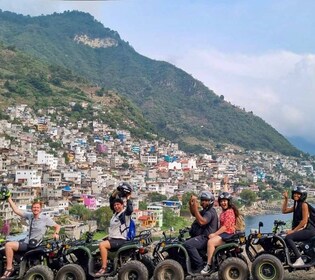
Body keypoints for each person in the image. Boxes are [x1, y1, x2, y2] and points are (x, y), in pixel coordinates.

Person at [1, 195, 61, 279]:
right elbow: (16, 211)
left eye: (37, 207)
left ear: (40, 209)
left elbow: (57, 226)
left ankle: (9, 268)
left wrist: (56, 233)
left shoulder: (45, 218)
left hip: (32, 244)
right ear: (32, 208)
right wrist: (9, 198)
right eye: (34, 207)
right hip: (27, 241)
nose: (35, 209)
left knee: (8, 245)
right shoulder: (30, 216)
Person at [95, 182, 133, 277]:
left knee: (102, 245)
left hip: (119, 240)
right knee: (96, 243)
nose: (116, 206)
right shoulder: (115, 214)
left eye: (118, 205)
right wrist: (116, 191)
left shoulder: (124, 215)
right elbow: (111, 200)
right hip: (113, 239)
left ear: (122, 205)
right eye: (115, 205)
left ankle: (103, 268)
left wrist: (128, 197)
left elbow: (130, 210)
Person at [201, 192, 239, 274]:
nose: (223, 203)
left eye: (225, 201)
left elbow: (225, 227)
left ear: (229, 201)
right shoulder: (223, 212)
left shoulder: (229, 212)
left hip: (228, 234)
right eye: (221, 201)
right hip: (225, 233)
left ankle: (209, 265)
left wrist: (215, 234)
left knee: (211, 242)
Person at [184, 191, 218, 273]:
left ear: (210, 201)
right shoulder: (205, 211)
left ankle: (200, 265)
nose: (203, 202)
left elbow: (202, 221)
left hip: (205, 238)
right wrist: (191, 205)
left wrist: (195, 207)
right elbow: (194, 214)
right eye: (202, 200)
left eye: (206, 200)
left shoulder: (210, 212)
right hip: (202, 237)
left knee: (188, 244)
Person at [282, 185, 315, 267]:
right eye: (294, 193)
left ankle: (300, 259)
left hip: (309, 230)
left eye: (298, 194)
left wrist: (293, 231)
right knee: (284, 235)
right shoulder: (297, 205)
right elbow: (284, 211)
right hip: (305, 229)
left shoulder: (304, 205)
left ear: (303, 195)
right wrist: (286, 199)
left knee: (289, 237)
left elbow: (304, 221)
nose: (295, 195)